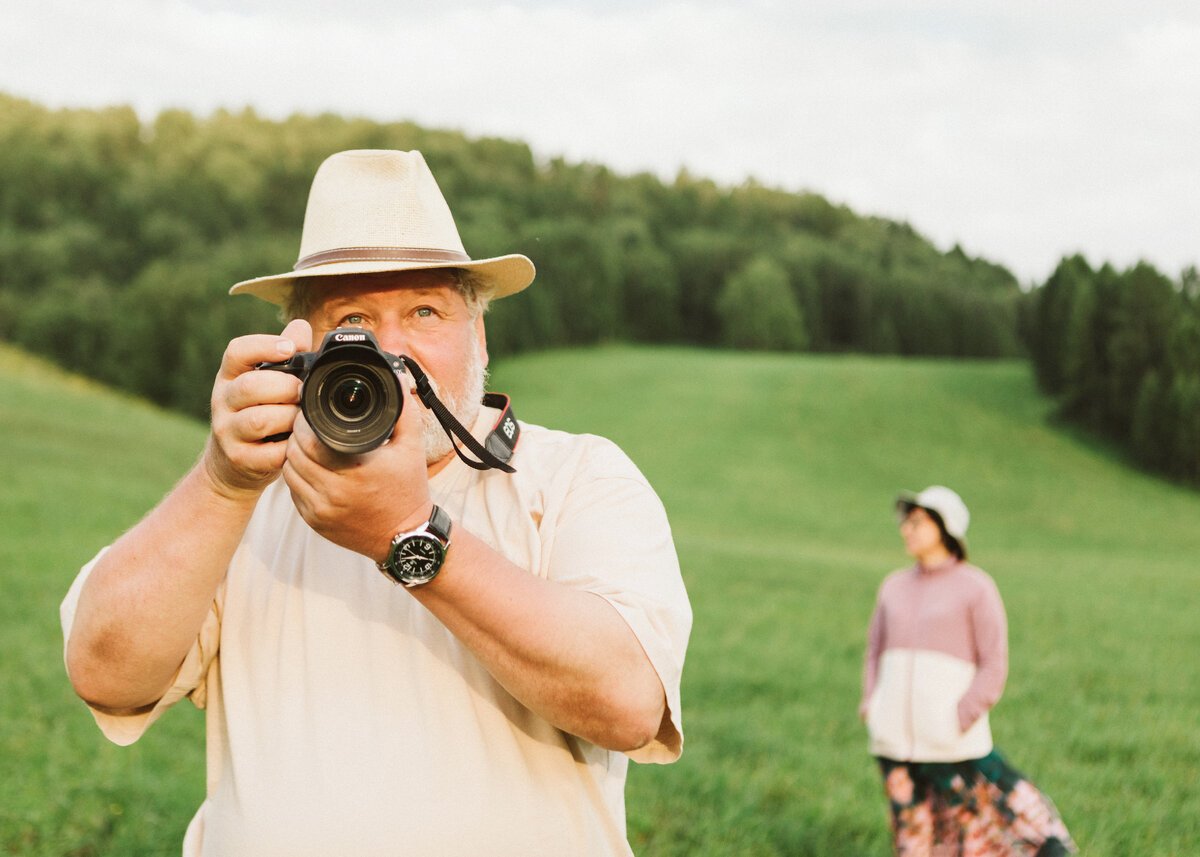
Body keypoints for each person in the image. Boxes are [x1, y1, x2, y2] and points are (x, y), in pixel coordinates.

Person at [60, 149, 691, 857]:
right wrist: (220, 481)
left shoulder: (576, 475)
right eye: (354, 318)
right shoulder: (247, 498)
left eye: (425, 311)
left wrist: (409, 535)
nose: (392, 350)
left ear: (477, 334)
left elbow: (628, 702)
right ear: (299, 348)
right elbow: (104, 672)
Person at [860, 485, 1075, 857]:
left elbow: (994, 662)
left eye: (917, 522)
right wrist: (873, 706)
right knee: (912, 841)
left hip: (953, 742)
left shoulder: (976, 587)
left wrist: (960, 716)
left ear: (946, 528)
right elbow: (874, 652)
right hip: (894, 740)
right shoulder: (893, 586)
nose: (906, 530)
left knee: (985, 828)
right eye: (906, 523)